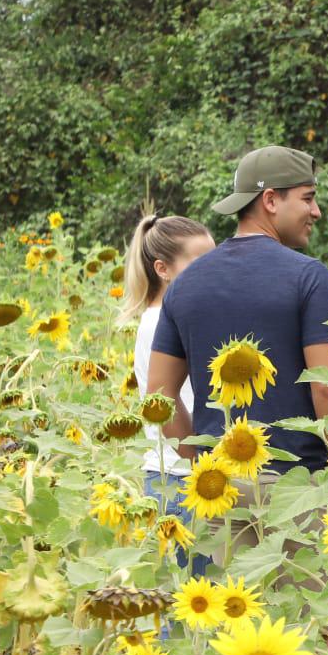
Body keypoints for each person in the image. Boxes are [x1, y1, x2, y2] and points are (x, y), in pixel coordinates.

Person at [147, 146, 328, 487]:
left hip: (221, 493)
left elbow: (157, 396)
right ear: (270, 201)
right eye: (308, 198)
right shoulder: (309, 277)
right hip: (296, 487)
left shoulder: (184, 284)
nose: (316, 211)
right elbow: (325, 389)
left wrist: (204, 467)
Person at [120, 209, 215, 532]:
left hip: (179, 473)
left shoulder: (170, 315)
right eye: (199, 264)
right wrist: (203, 467)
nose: (212, 272)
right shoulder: (162, 321)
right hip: (180, 477)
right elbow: (163, 402)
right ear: (163, 269)